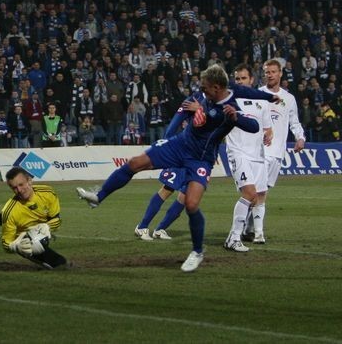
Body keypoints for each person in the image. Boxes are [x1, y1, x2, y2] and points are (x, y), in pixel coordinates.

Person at [76, 64, 279, 272]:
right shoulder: (209, 94)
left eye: (206, 87)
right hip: (179, 145)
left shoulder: (229, 108)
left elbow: (253, 127)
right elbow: (246, 93)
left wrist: (236, 117)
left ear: (217, 87)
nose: (203, 90)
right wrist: (271, 97)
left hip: (201, 159)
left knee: (190, 204)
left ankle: (197, 252)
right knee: (135, 163)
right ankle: (98, 196)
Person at [250, 59, 306, 244]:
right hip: (259, 151)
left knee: (260, 192)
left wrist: (300, 137)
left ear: (280, 73)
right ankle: (258, 232)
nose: (270, 75)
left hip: (277, 152)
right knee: (260, 191)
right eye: (267, 72)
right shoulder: (257, 95)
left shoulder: (288, 98)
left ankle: (247, 228)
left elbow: (294, 122)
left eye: (273, 72)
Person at [0, 167, 67, 269]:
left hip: (35, 226)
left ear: (29, 181)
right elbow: (6, 243)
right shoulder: (10, 211)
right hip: (24, 237)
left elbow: (56, 219)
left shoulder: (47, 193)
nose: (19, 190)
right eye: (14, 188)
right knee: (60, 263)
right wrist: (17, 246)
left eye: (21, 184)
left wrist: (48, 226)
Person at [223, 64, 273, 252]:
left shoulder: (262, 102)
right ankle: (234, 237)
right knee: (249, 194)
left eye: (244, 78)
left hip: (257, 155)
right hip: (238, 153)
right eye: (237, 79)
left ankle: (249, 232)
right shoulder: (230, 99)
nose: (240, 82)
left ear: (251, 80)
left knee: (257, 197)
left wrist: (269, 134)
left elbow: (267, 128)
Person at [134, 168, 188, 241]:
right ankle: (142, 227)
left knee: (185, 197)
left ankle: (159, 230)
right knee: (167, 190)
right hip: (182, 162)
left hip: (195, 166)